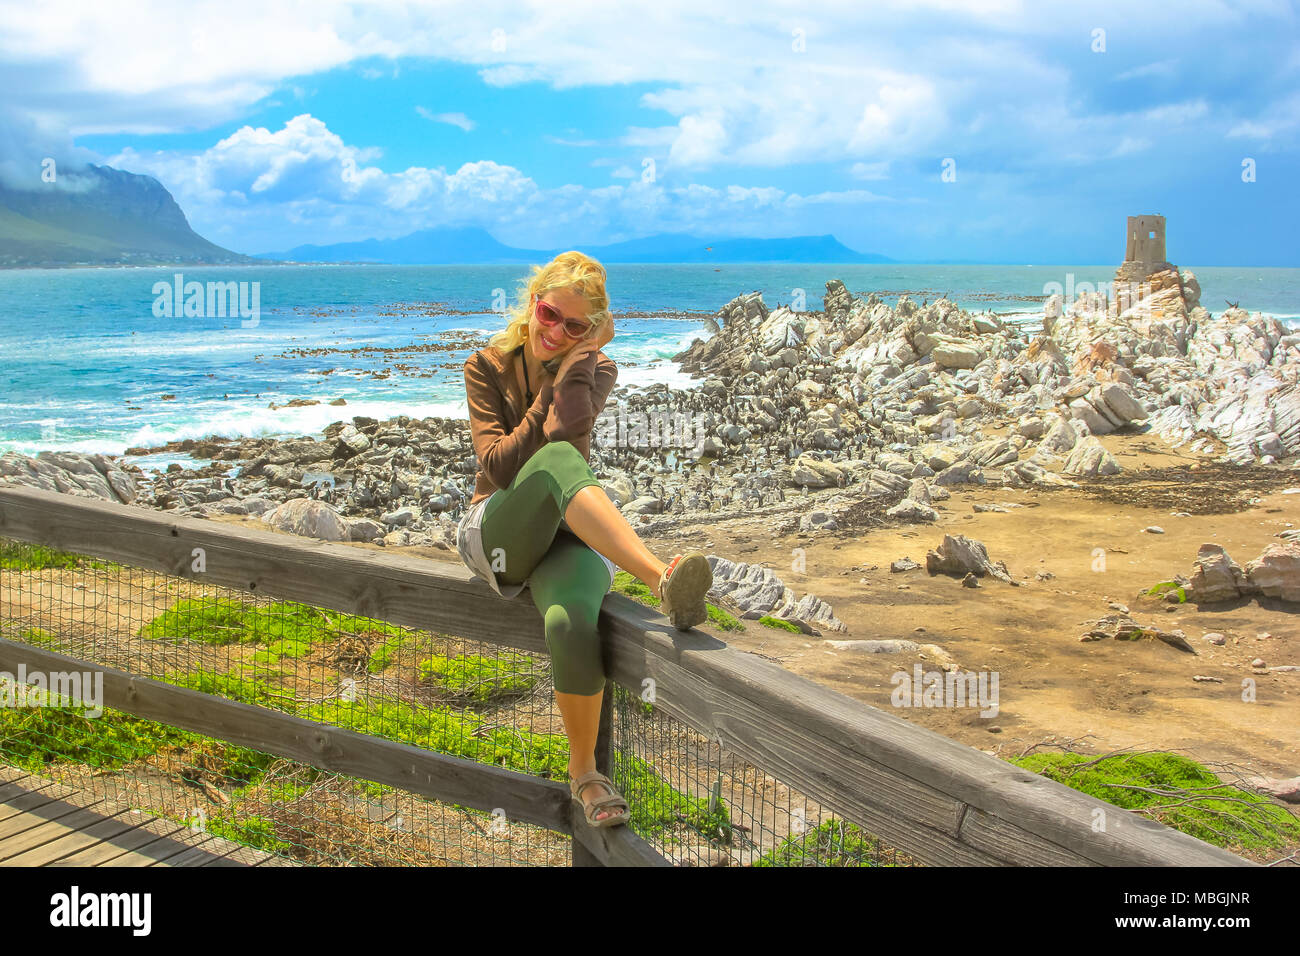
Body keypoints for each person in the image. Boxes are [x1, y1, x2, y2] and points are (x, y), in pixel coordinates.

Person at [456, 251, 713, 829]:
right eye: (550, 315)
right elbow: (497, 468)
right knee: (550, 463)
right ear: (532, 304)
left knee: (572, 621)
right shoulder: (486, 365)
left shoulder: (595, 369)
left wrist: (575, 364)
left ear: (590, 331)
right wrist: (552, 382)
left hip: (565, 534)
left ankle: (585, 776)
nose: (556, 332)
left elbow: (569, 438)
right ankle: (660, 579)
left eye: (575, 326)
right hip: (496, 532)